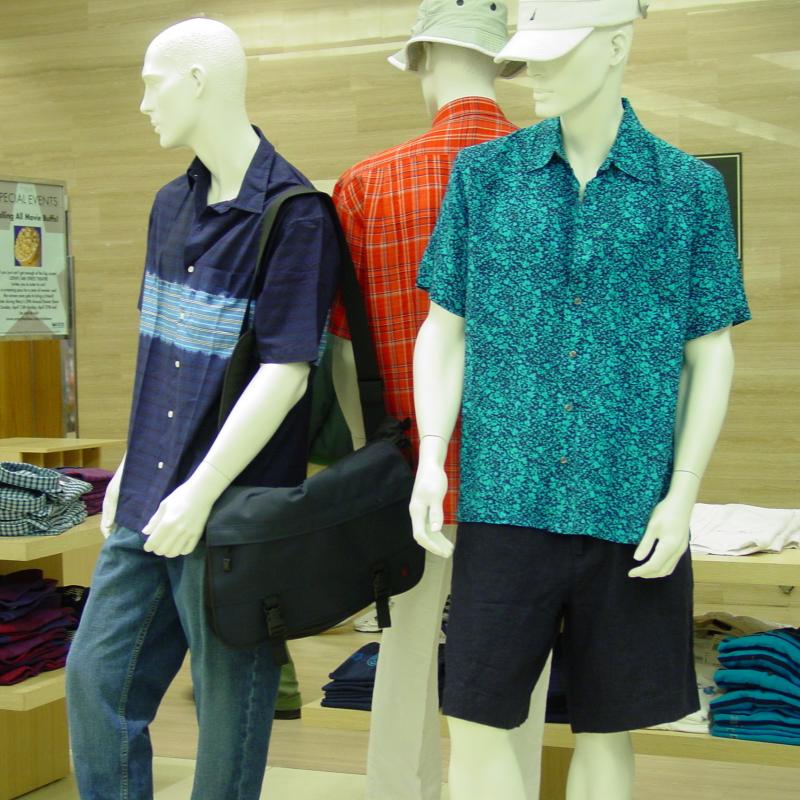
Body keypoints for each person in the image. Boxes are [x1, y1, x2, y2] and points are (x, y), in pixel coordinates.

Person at [409, 1, 752, 798]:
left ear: (618, 45)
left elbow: (711, 354)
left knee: (608, 725)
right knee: (477, 719)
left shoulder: (687, 191)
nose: (534, 71)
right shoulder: (485, 178)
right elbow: (443, 329)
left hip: (630, 507)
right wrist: (430, 456)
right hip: (505, 500)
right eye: (530, 52)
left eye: (557, 52)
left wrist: (683, 494)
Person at [65, 18, 338, 800]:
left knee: (229, 722)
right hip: (147, 502)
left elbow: (286, 374)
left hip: (230, 517)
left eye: (152, 83)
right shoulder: (168, 206)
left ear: (197, 80)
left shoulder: (296, 214)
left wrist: (202, 489)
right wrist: (131, 466)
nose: (143, 102)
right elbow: (160, 351)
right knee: (94, 678)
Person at [329, 2, 552, 798]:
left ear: (422, 59)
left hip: (406, 470)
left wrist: (372, 458)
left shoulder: (366, 185)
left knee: (402, 656)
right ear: (502, 63)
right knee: (518, 667)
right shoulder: (560, 175)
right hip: (531, 477)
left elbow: (344, 354)